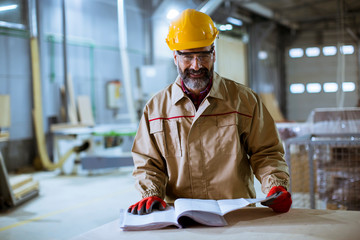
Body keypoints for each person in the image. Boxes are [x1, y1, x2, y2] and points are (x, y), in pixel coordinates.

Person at [128, 9, 292, 215]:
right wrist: (150, 192)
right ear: (175, 57)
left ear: (213, 53)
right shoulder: (156, 107)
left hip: (236, 215)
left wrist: (275, 184)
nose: (196, 65)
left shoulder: (244, 100)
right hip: (180, 217)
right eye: (187, 56)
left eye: (203, 55)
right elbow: (147, 162)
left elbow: (266, 153)